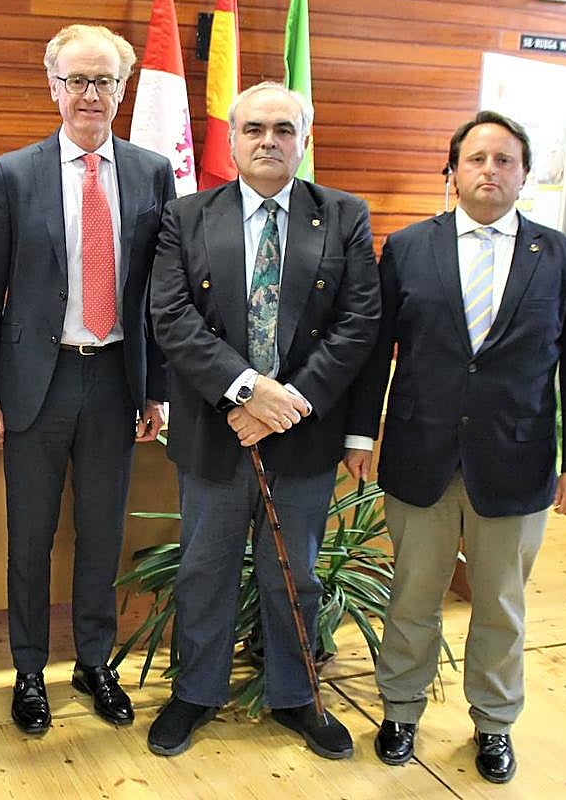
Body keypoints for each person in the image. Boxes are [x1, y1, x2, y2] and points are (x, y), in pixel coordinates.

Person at [345, 110, 566, 784]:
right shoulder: (408, 249)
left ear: (524, 175)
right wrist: (360, 433)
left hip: (516, 463)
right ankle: (400, 710)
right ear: (453, 172)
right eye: (477, 159)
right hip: (420, 458)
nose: (490, 170)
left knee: (501, 606)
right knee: (412, 597)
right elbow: (376, 352)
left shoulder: (565, 260)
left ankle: (494, 722)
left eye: (504, 160)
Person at [147, 82, 380, 758]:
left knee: (294, 574)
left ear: (304, 139)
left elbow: (360, 321)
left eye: (283, 128)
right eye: (254, 128)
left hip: (303, 432)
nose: (268, 140)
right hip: (215, 428)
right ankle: (196, 693)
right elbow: (171, 317)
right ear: (232, 139)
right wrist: (248, 392)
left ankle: (296, 695)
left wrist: (286, 404)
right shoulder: (186, 216)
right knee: (204, 570)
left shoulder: (343, 215)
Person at [0, 24, 175, 734]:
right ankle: (29, 669)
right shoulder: (14, 173)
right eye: (77, 80)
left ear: (122, 89)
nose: (90, 94)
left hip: (117, 379)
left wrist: (156, 388)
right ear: (53, 86)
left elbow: (160, 294)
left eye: (104, 81)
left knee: (101, 532)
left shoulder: (151, 172)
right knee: (29, 537)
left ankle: (94, 662)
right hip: (38, 380)